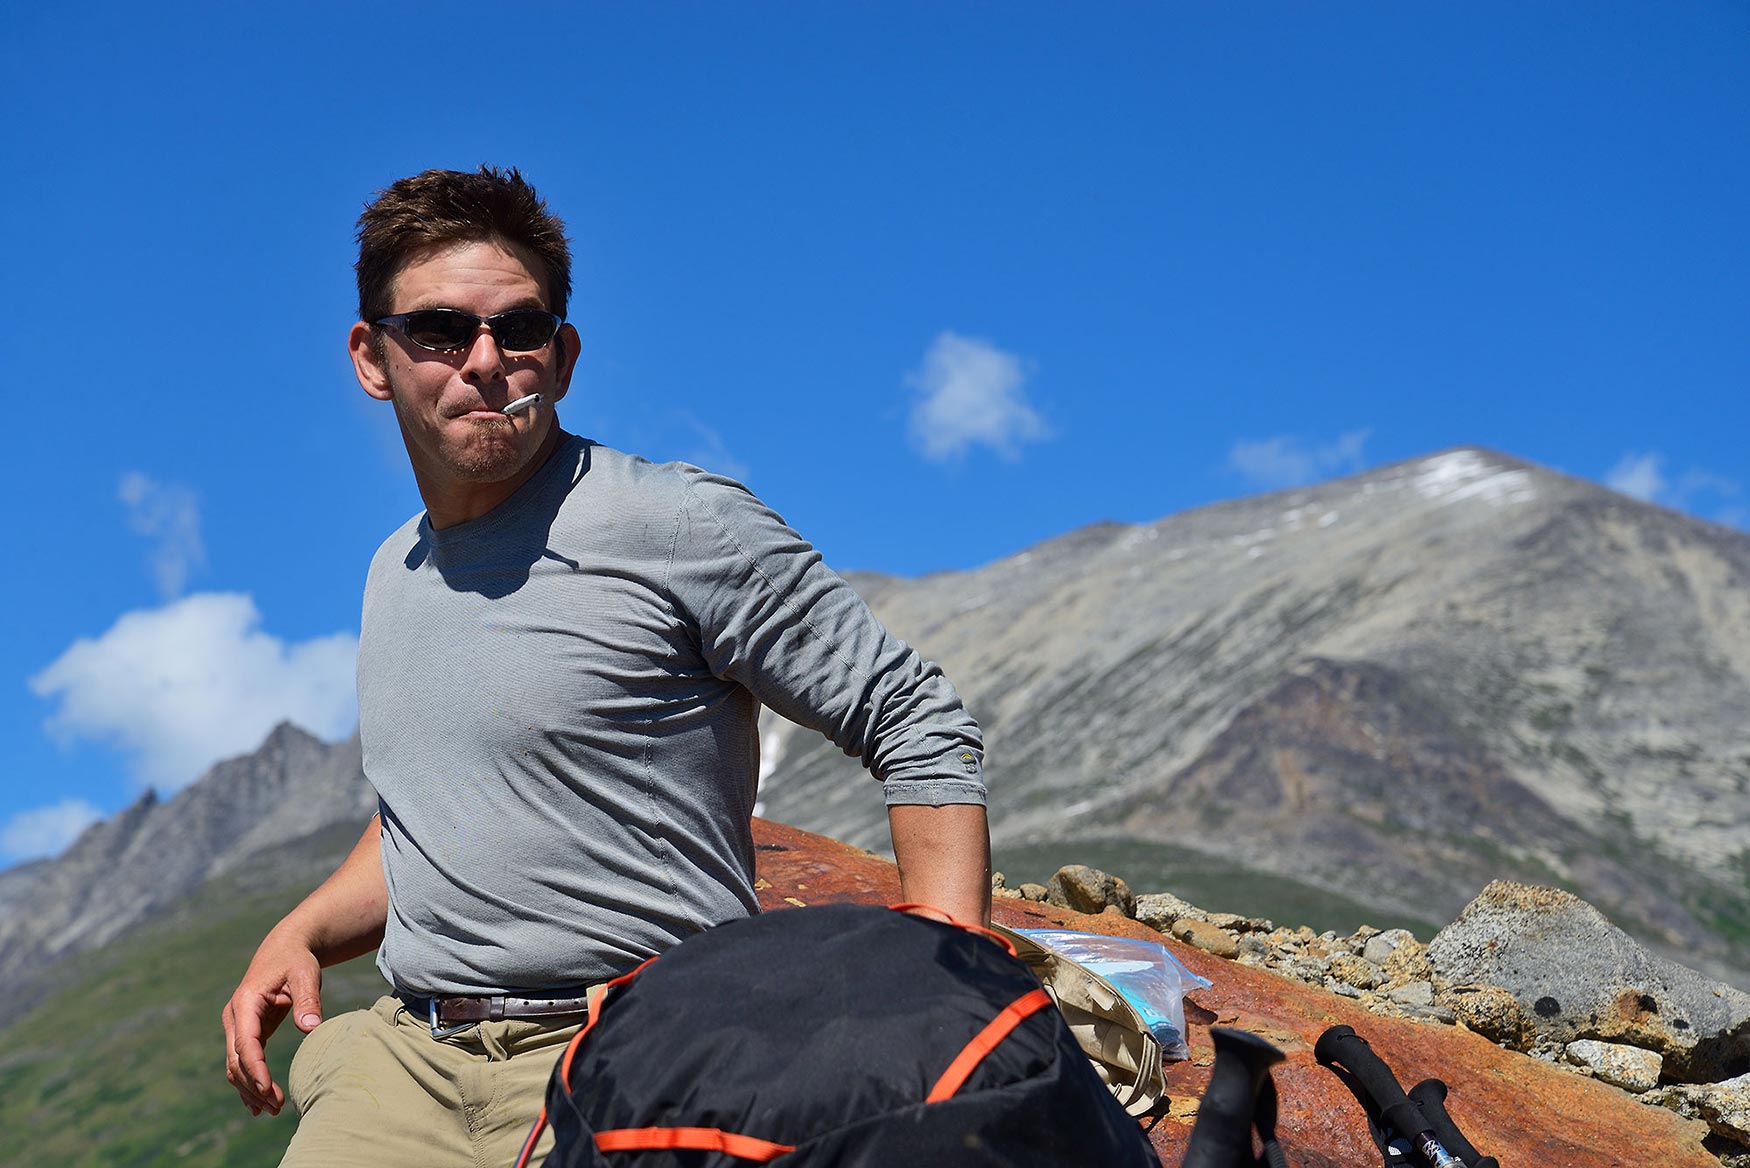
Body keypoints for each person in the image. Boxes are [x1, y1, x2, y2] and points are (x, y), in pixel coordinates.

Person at [220, 166, 991, 1167]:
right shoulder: (392, 572)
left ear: (565, 354)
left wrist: (949, 970)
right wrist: (306, 931)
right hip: (409, 1059)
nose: (485, 360)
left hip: (634, 1046)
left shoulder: (672, 521)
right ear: (373, 356)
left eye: (520, 329)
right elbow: (438, 803)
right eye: (443, 330)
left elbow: (911, 713)